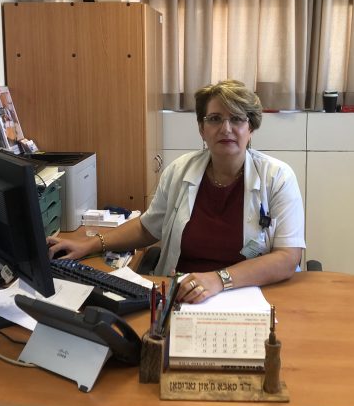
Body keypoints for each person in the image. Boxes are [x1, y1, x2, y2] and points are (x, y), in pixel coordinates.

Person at [48, 80, 305, 304]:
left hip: (251, 295)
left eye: (237, 119)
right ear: (202, 129)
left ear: (251, 128)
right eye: (215, 119)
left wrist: (218, 280)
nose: (226, 128)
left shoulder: (277, 177)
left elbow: (287, 256)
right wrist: (89, 244)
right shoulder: (180, 171)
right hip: (182, 294)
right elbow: (147, 228)